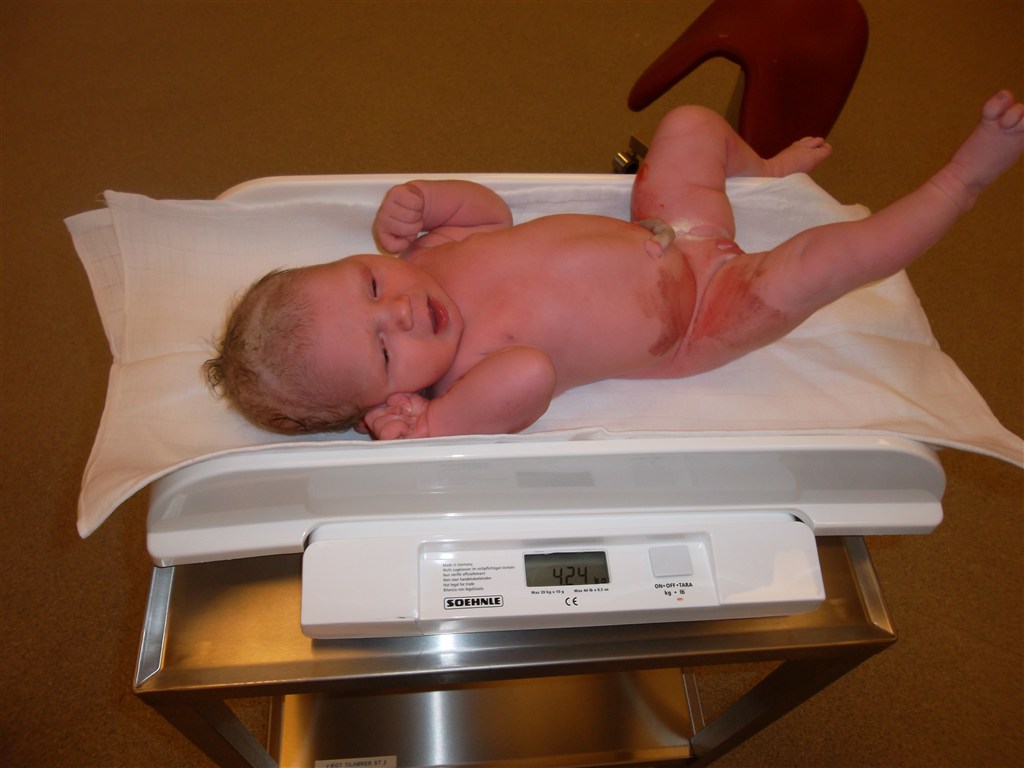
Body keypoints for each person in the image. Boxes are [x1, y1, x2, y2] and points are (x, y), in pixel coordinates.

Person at [205, 91, 1024, 440]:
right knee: (818, 264)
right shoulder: (470, 376)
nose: (402, 312)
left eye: (371, 285)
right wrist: (437, 427)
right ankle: (960, 182)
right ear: (392, 401)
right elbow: (531, 379)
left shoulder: (430, 255)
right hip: (701, 312)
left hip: (669, 227)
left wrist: (427, 199)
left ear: (361, 256)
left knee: (691, 122)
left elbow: (490, 213)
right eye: (386, 350)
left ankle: (763, 172)